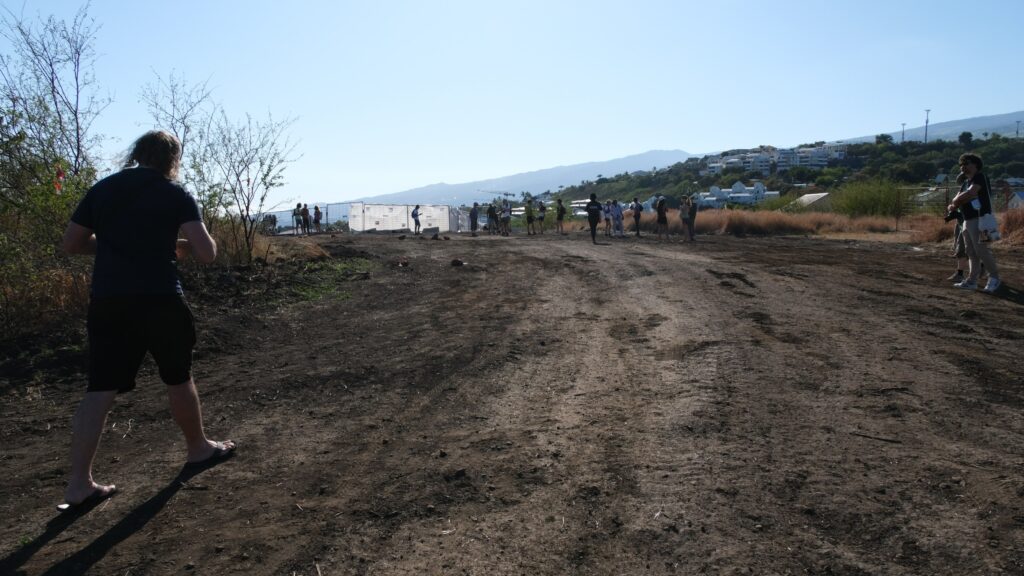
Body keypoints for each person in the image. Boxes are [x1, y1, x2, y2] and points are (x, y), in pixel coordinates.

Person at [58, 130, 235, 511]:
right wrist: (172, 245)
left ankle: (78, 484)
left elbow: (72, 244)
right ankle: (198, 448)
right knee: (177, 375)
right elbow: (206, 254)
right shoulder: (174, 193)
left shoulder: (102, 189)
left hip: (108, 301)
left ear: (136, 154)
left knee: (100, 389)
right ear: (173, 158)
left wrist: (118, 246)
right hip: (159, 299)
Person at [948, 153, 1000, 293]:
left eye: (967, 163)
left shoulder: (980, 177)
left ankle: (994, 278)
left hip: (982, 220)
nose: (963, 167)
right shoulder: (966, 182)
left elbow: (971, 193)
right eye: (961, 165)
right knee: (971, 252)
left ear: (976, 165)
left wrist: (957, 201)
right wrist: (957, 201)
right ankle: (972, 280)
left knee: (982, 250)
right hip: (967, 221)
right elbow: (958, 198)